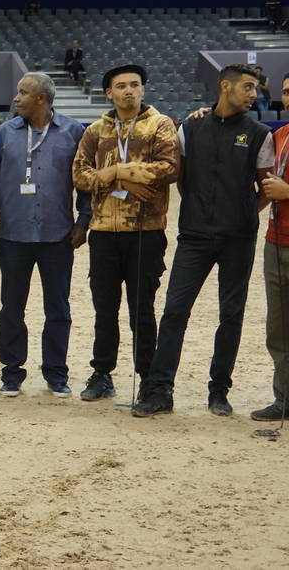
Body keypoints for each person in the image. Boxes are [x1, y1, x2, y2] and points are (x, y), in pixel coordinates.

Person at [133, 64, 274, 418]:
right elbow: (182, 179)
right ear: (225, 86)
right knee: (175, 311)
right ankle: (159, 391)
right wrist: (199, 210)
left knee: (231, 315)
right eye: (248, 88)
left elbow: (266, 187)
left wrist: (243, 214)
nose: (254, 95)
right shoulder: (190, 127)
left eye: (255, 89)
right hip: (194, 237)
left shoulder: (258, 133)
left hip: (238, 239)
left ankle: (218, 392)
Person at [0, 72, 90, 398]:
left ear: (41, 98)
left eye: (23, 93)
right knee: (11, 307)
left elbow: (83, 180)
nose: (16, 98)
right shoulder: (4, 133)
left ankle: (56, 373)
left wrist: (84, 219)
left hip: (58, 237)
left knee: (58, 308)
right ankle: (12, 373)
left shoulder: (72, 131)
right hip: (14, 235)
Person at [71, 65, 180, 402]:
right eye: (121, 86)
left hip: (145, 230)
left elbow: (170, 167)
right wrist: (120, 177)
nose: (129, 91)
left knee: (141, 308)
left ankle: (148, 377)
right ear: (109, 93)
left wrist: (117, 171)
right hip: (103, 230)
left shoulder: (160, 125)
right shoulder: (94, 130)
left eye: (135, 85)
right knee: (105, 308)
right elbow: (79, 174)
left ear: (143, 90)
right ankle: (102, 372)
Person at [253, 72, 289, 421]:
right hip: (276, 243)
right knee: (278, 329)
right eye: (287, 92)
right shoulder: (277, 136)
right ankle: (284, 400)